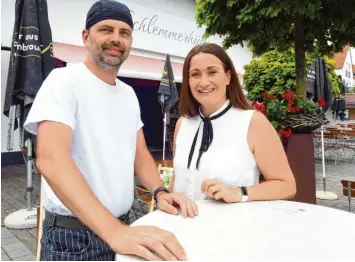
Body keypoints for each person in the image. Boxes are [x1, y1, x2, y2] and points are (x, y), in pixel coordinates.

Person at [24, 1, 198, 261]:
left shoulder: (127, 94)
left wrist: (160, 192)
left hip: (122, 226)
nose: (116, 39)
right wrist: (114, 232)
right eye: (106, 29)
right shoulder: (64, 81)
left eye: (124, 33)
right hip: (73, 239)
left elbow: (139, 153)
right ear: (86, 36)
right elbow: (51, 160)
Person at [172, 43, 297, 203]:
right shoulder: (182, 124)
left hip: (232, 226)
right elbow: (179, 181)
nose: (203, 82)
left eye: (212, 72)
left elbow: (286, 186)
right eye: (195, 74)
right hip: (181, 225)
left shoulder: (252, 122)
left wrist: (238, 193)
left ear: (228, 77)